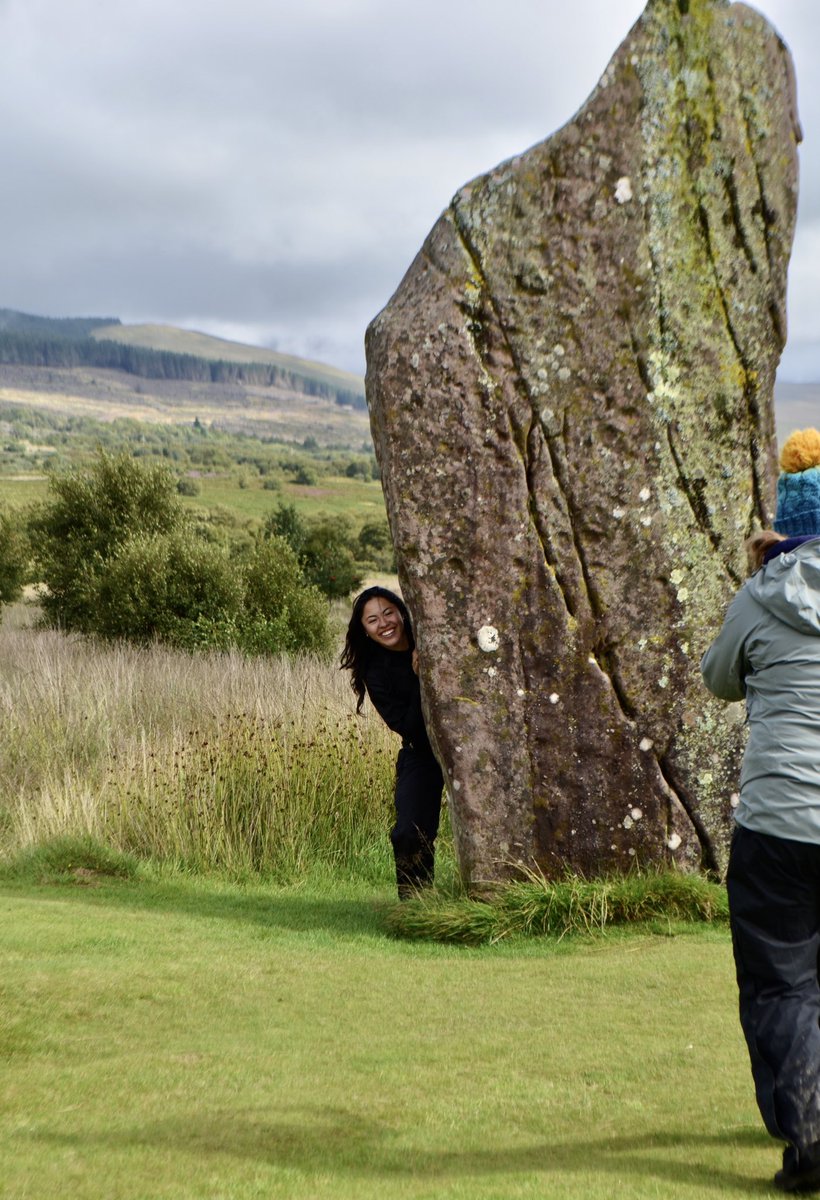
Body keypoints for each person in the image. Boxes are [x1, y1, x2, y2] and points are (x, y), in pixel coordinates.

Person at [701, 427, 820, 1193]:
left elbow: (718, 679)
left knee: (781, 981)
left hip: (778, 817)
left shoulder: (760, 593)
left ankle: (806, 1135)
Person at [340, 585, 444, 899]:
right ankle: (416, 905)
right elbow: (407, 727)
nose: (384, 623)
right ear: (365, 632)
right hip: (421, 751)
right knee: (407, 832)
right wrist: (418, 676)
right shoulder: (375, 672)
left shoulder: (431, 639)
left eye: (388, 612)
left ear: (401, 611)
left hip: (466, 745)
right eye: (372, 620)